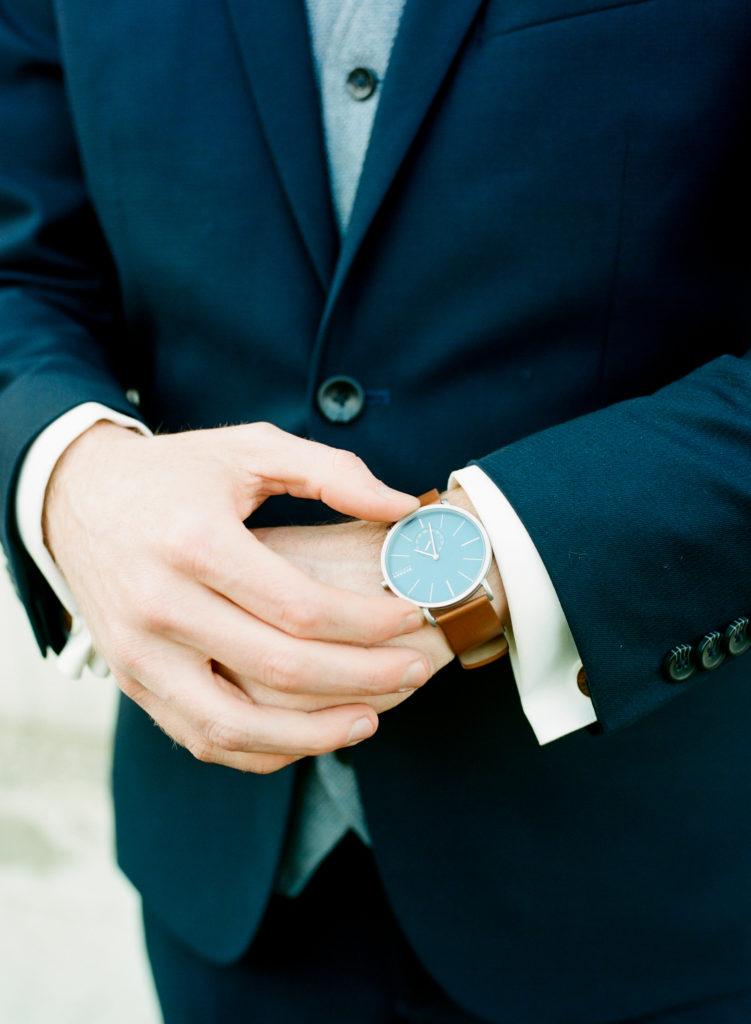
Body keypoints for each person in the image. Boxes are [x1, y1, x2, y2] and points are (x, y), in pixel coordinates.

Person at [2, 1, 751, 1021]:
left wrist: (472, 564)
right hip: (230, 889)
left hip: (664, 892)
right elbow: (19, 262)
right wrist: (72, 477)